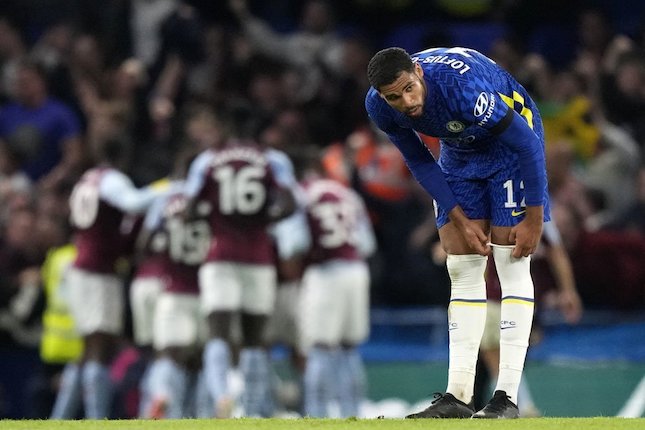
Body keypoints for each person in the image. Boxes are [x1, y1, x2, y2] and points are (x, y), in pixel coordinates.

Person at [365, 46, 550, 419]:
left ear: (418, 71)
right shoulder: (379, 106)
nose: (406, 102)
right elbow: (418, 158)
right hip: (460, 152)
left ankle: (507, 398)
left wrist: (533, 216)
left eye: (409, 89)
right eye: (394, 97)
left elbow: (527, 143)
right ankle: (458, 395)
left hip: (509, 148)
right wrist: (458, 217)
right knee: (461, 266)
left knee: (510, 262)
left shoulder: (462, 89)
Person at [51, 134, 164, 419]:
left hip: (84, 266)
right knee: (101, 346)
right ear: (123, 157)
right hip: (97, 270)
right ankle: (96, 418)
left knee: (88, 348)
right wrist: (166, 189)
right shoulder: (112, 180)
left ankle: (60, 417)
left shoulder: (87, 178)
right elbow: (135, 203)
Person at [298, 154, 376, 418]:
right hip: (356, 270)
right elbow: (367, 244)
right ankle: (352, 414)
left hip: (325, 272)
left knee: (320, 347)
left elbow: (292, 243)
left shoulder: (304, 193)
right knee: (348, 348)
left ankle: (316, 415)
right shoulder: (347, 194)